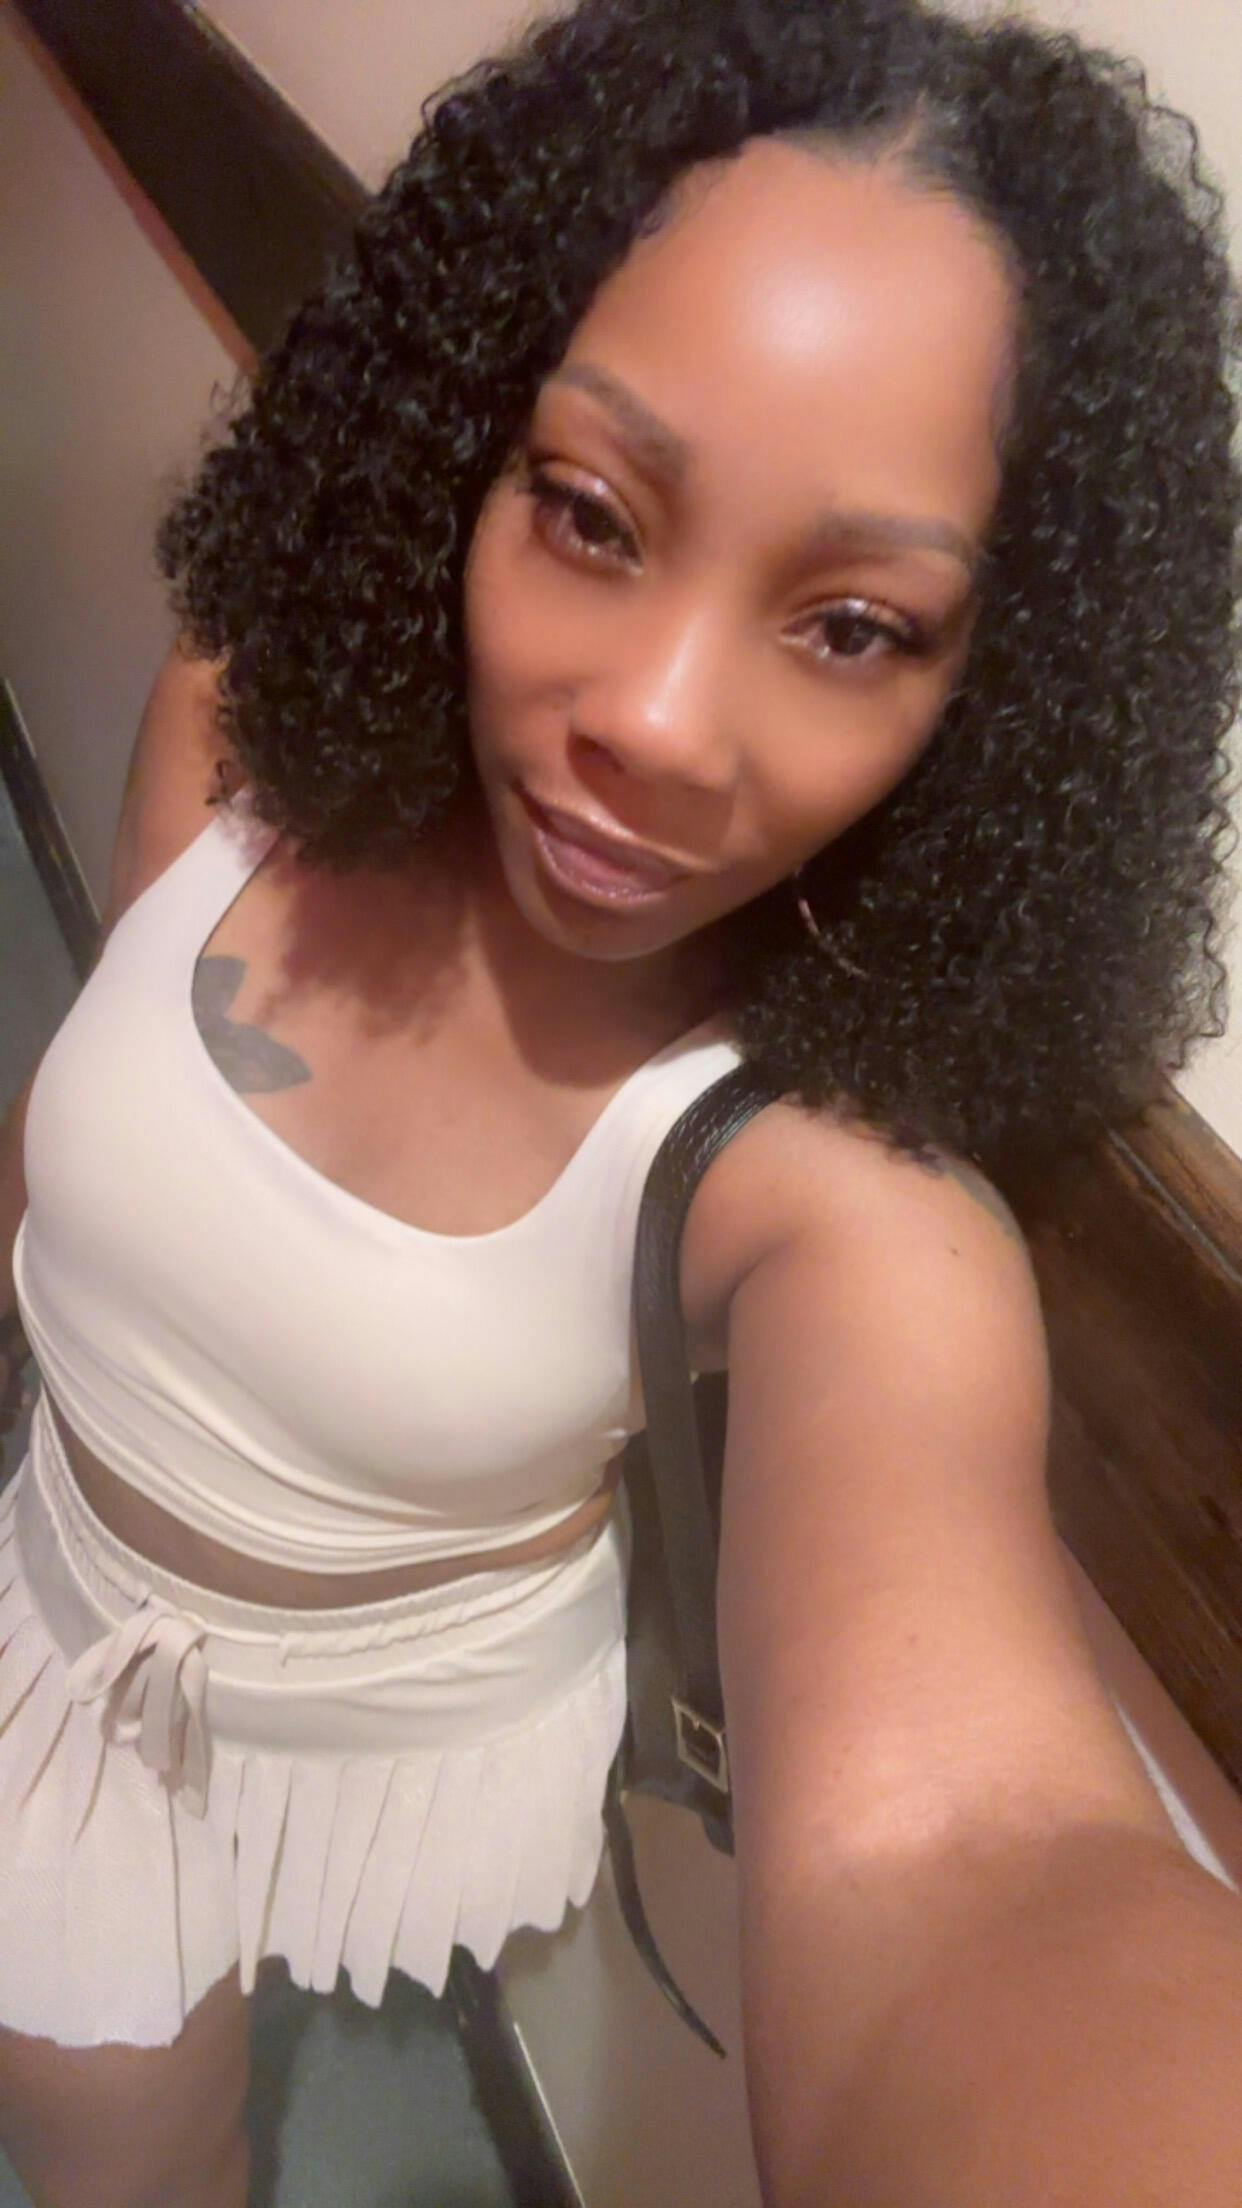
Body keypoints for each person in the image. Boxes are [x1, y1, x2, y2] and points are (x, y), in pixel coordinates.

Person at [1, 0, 1241, 2199]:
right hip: (62, 1575)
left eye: (850, 626)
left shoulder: (827, 1199)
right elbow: (121, 1110)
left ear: (996, 693)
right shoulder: (244, 723)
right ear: (459, 454)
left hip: (393, 1722)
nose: (654, 723)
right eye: (587, 513)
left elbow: (978, 1859)